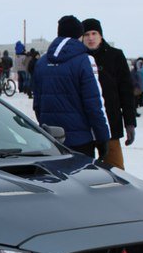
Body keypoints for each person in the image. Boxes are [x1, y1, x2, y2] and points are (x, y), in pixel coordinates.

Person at [32, 15, 110, 159]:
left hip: (51, 139)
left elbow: (37, 103)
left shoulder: (42, 62)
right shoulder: (84, 60)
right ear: (79, 36)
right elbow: (93, 103)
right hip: (81, 140)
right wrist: (102, 137)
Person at [81, 18, 136, 170]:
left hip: (110, 123)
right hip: (84, 127)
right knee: (84, 173)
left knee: (116, 171)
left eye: (94, 33)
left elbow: (126, 91)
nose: (91, 38)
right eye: (86, 34)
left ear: (101, 35)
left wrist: (130, 122)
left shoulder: (115, 56)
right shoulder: (78, 57)